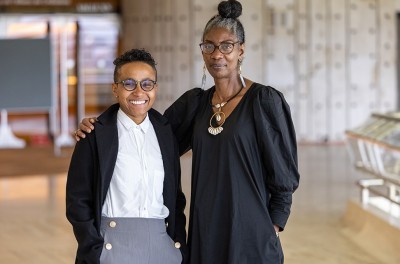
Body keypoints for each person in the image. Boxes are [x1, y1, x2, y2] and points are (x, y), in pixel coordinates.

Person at [75, 0, 300, 263]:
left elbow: (284, 174)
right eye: (209, 46)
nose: (217, 54)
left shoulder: (264, 101)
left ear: (241, 50)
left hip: (251, 230)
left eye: (227, 46)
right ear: (202, 51)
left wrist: (273, 225)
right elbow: (148, 130)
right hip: (206, 231)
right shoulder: (195, 104)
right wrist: (99, 126)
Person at [66, 48, 188, 264]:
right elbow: (77, 201)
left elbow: (175, 198)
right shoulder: (94, 134)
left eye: (147, 84)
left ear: (155, 88)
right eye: (129, 83)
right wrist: (95, 250)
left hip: (162, 249)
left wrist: (178, 246)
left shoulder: (164, 133)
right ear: (115, 88)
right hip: (111, 248)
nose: (139, 92)